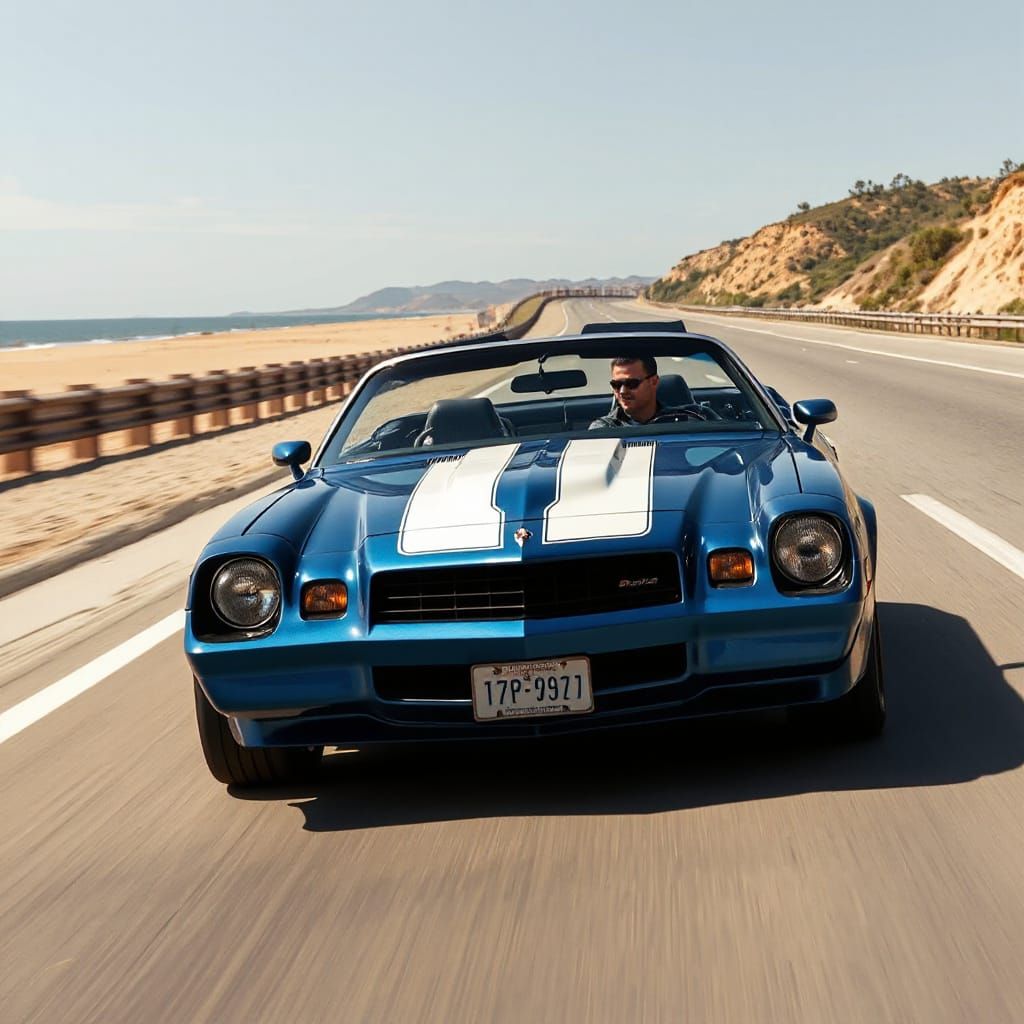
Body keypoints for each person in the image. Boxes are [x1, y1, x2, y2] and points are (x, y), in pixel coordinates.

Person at [589, 355, 701, 429]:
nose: (622, 391)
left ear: (654, 382)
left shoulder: (686, 422)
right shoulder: (602, 429)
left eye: (632, 384)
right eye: (616, 385)